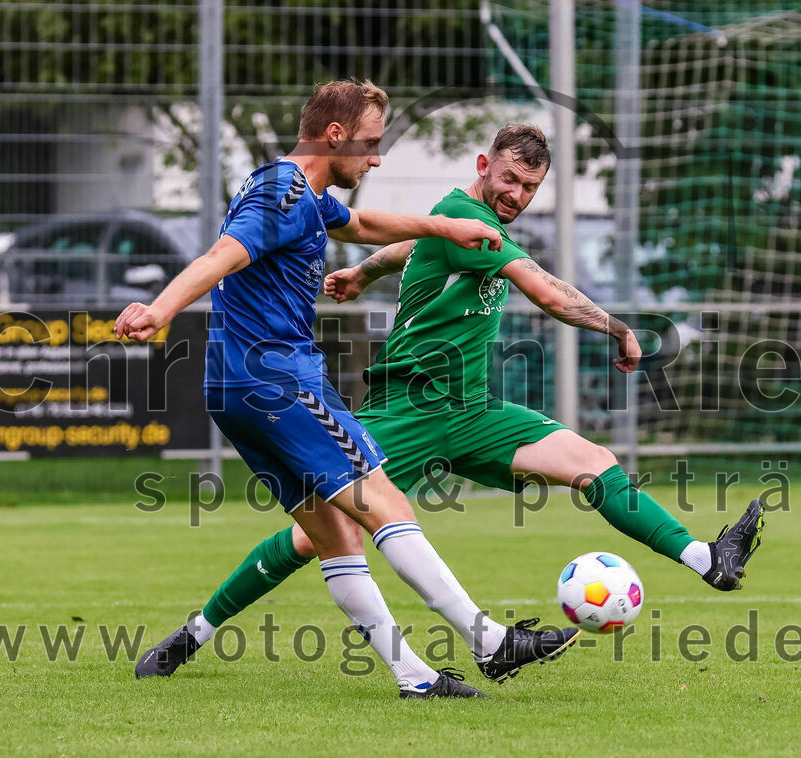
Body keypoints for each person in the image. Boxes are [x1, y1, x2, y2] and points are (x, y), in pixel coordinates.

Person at [137, 122, 766, 687]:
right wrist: (618, 328)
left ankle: (707, 559)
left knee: (591, 460)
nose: (516, 195)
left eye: (530, 188)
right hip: (410, 409)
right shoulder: (467, 216)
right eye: (510, 178)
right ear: (482, 165)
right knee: (314, 540)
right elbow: (547, 292)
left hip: (470, 410)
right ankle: (195, 633)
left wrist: (365, 274)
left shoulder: (460, 228)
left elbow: (412, 248)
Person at [119, 82, 579, 699]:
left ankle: (414, 677)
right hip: (278, 379)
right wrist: (161, 308)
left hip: (232, 388)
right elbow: (221, 256)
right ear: (333, 136)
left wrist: (442, 224)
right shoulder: (283, 194)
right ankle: (488, 640)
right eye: (369, 144)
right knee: (385, 500)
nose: (377, 157)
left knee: (335, 535)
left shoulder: (303, 191)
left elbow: (360, 222)